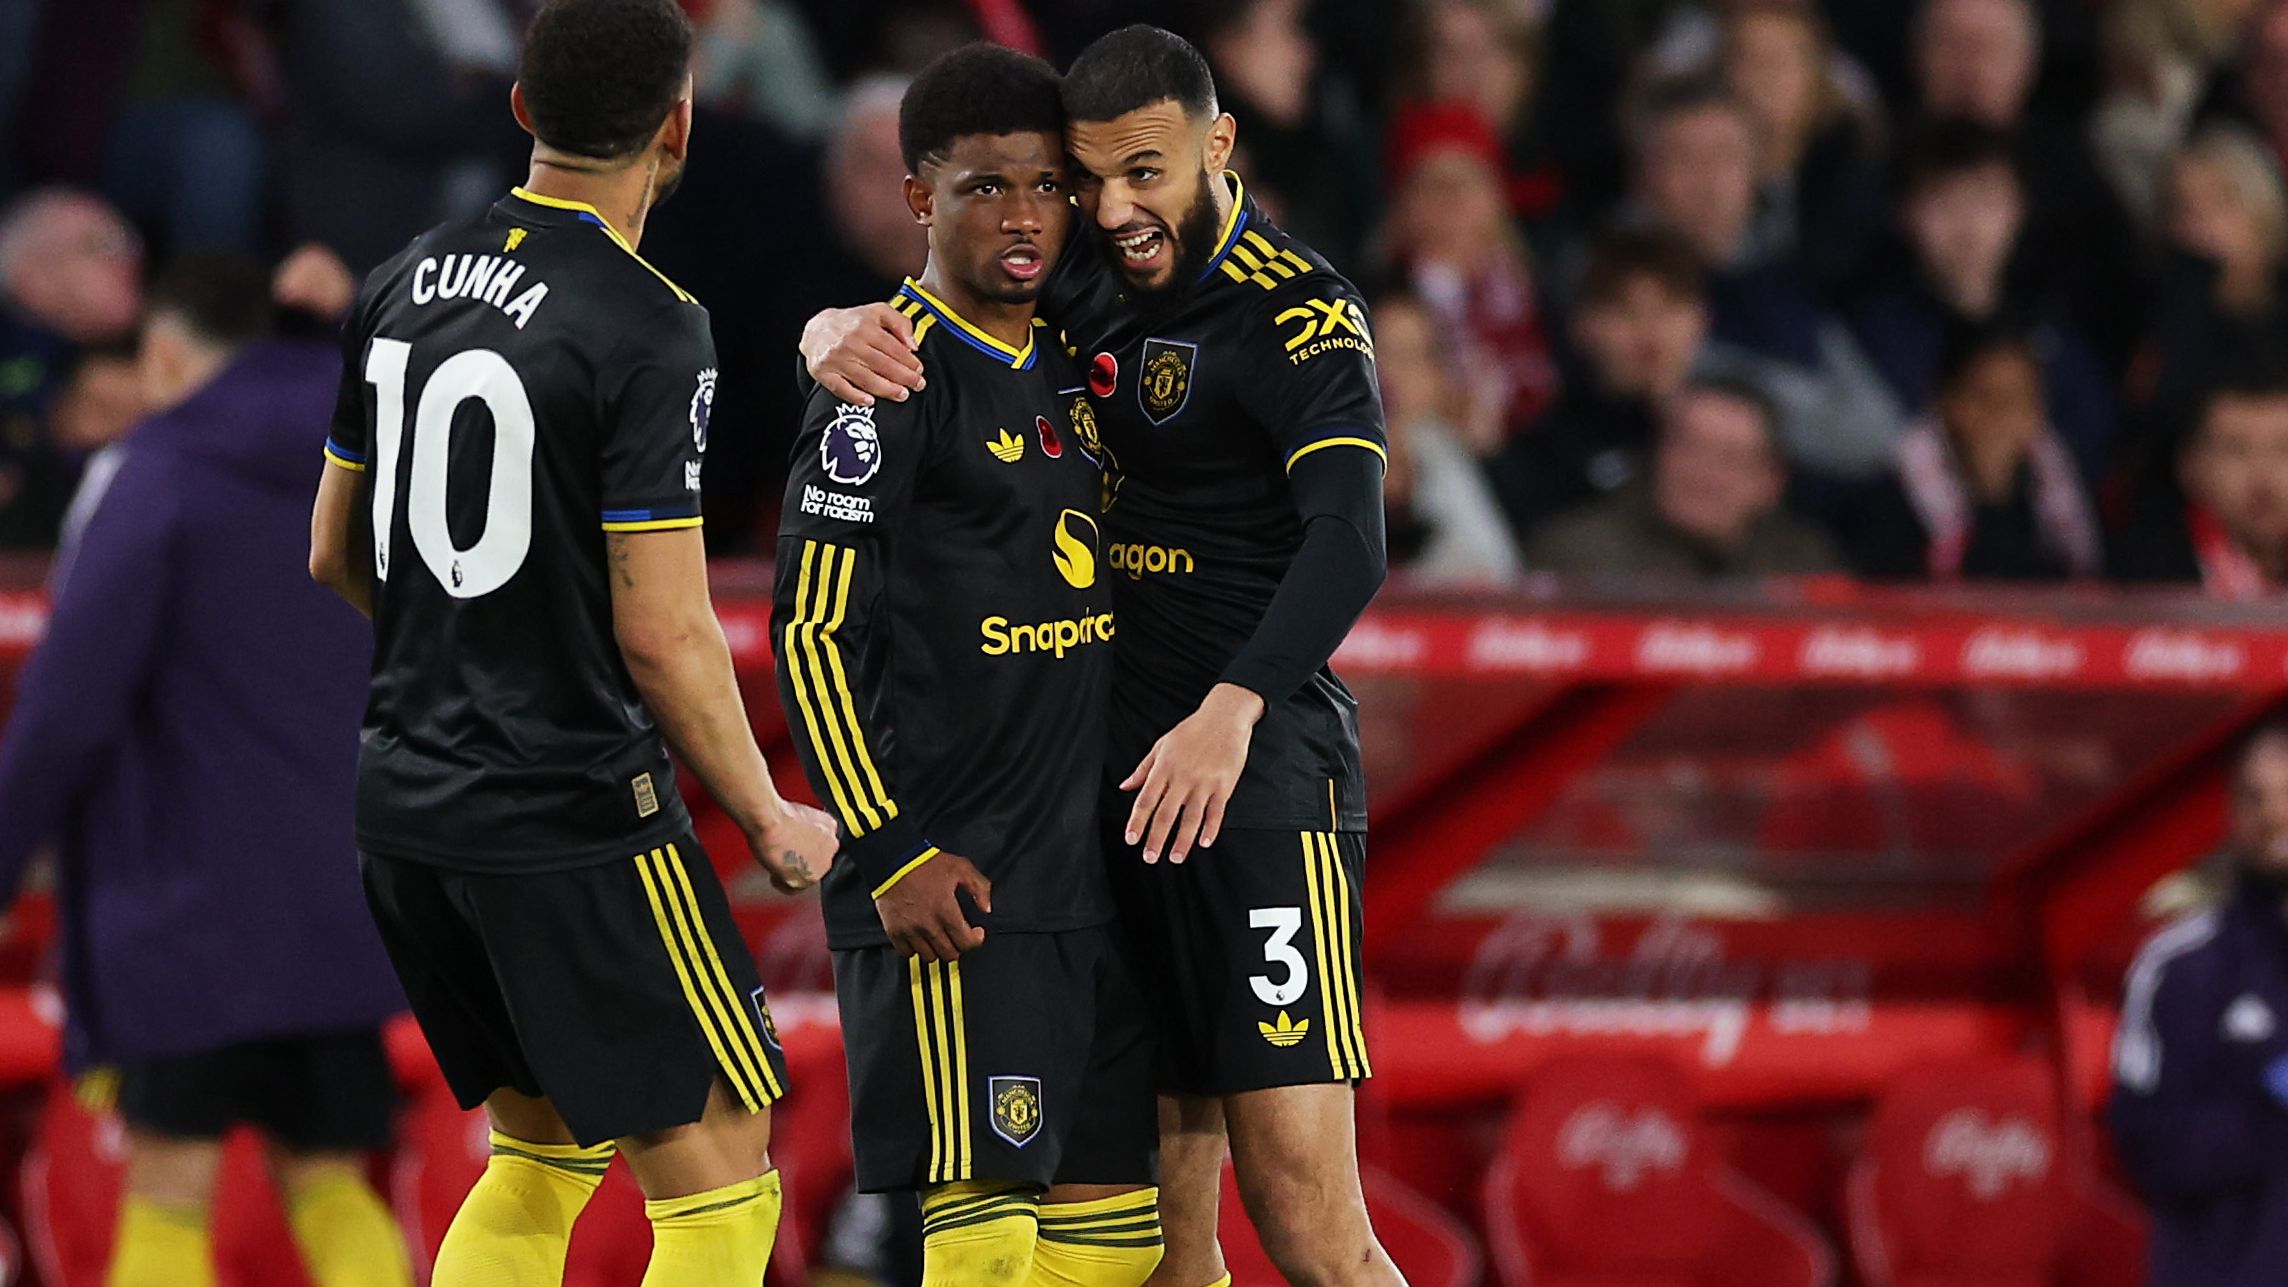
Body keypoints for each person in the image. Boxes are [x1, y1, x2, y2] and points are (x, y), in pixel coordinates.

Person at [803, 26, 1405, 1287]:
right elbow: (936, 294)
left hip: (1253, 786)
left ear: (1218, 145)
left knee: (1309, 1228)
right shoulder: (1082, 275)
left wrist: (1233, 708)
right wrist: (822, 332)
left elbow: (1350, 541)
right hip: (1103, 809)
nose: (1116, 211)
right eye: (1093, 180)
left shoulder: (1298, 314)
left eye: (1147, 172)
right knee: (1163, 1248)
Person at [306, 2, 838, 1283]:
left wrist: (475, 650)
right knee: (722, 1164)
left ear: (519, 112)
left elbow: (332, 551)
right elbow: (661, 631)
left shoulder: (399, 281)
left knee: (536, 1151)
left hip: (409, 803)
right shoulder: (650, 321)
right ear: (679, 125)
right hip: (569, 809)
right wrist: (768, 814)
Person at [773, 43, 1163, 1287]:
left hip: (1081, 881)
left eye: (1046, 186)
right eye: (985, 187)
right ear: (917, 199)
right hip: (952, 881)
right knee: (982, 1245)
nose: (1021, 216)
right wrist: (887, 850)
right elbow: (808, 633)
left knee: (1113, 1247)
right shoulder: (881, 383)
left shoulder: (1070, 355)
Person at [0, 255, 411, 1287]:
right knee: (328, 1182)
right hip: (346, 897)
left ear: (170, 354)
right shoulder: (378, 465)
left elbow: (65, 706)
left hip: (184, 907)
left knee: (169, 1188)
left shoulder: (158, 473)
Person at [1625, 76, 1905, 481]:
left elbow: (1877, 429)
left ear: (1755, 174)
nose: (1709, 183)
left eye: (1725, 158)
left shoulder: (1787, 277)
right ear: (1647, 175)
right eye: (1685, 159)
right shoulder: (1611, 280)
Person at [2110, 724, 2288, 1287]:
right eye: (2255, 797)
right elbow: (2147, 1149)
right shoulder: (2182, 966)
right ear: (2231, 813)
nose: (2276, 815)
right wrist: (2265, 1106)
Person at [1847, 120, 2116, 483]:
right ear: (1904, 216)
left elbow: (2094, 441)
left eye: (1986, 200)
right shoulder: (1876, 332)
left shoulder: (2049, 330)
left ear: (2019, 210)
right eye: (1944, 203)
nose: (1968, 226)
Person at [1489, 227, 1710, 540]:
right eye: (1626, 311)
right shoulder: (1547, 447)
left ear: (1702, 319)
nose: (1651, 331)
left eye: (1669, 307)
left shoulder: (1743, 428)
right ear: (1582, 325)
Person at [1524, 375, 1843, 578]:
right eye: (1688, 446)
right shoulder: (1576, 556)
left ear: (1771, 483)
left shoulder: (1806, 566)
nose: (1703, 472)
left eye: (1730, 459)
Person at [1847, 329, 2102, 581]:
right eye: (1986, 396)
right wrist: (1990, 488)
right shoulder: (1895, 496)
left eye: (2020, 396)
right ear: (1946, 400)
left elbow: (2075, 581)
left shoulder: (2054, 482)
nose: (2003, 414)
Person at [1374, 288, 1522, 581]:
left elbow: (1496, 566)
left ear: (1439, 375)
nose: (1393, 373)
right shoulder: (1334, 450)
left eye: (1413, 357)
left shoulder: (1447, 445)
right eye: (1384, 354)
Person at [2114, 364, 2288, 593]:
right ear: (2189, 466)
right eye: (2237, 450)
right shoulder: (2141, 580)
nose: (2263, 479)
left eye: (2283, 450)